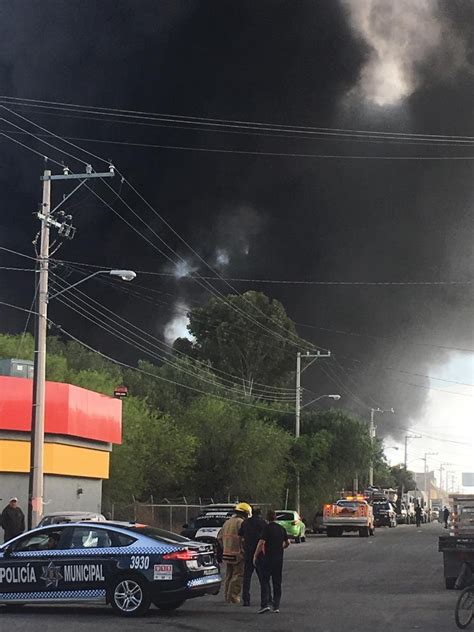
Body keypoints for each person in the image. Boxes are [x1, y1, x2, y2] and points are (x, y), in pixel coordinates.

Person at [253, 509, 289, 614]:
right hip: (279, 559)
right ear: (275, 517)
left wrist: (255, 556)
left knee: (265, 581)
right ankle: (276, 606)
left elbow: (261, 543)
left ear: (267, 518)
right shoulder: (281, 529)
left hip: (267, 558)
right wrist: (281, 547)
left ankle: (265, 604)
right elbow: (287, 542)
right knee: (277, 582)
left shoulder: (266, 528)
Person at [217, 502, 252, 605]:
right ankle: (233, 597)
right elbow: (244, 539)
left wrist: (225, 547)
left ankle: (227, 597)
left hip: (227, 553)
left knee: (229, 576)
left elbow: (219, 537)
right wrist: (244, 550)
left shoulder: (227, 523)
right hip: (238, 554)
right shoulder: (241, 523)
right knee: (238, 576)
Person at [239, 506, 267, 607]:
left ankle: (246, 599)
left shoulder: (245, 522)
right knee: (263, 578)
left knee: (247, 577)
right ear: (260, 513)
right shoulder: (262, 523)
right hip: (259, 553)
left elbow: (241, 536)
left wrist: (243, 548)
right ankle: (266, 599)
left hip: (248, 552)